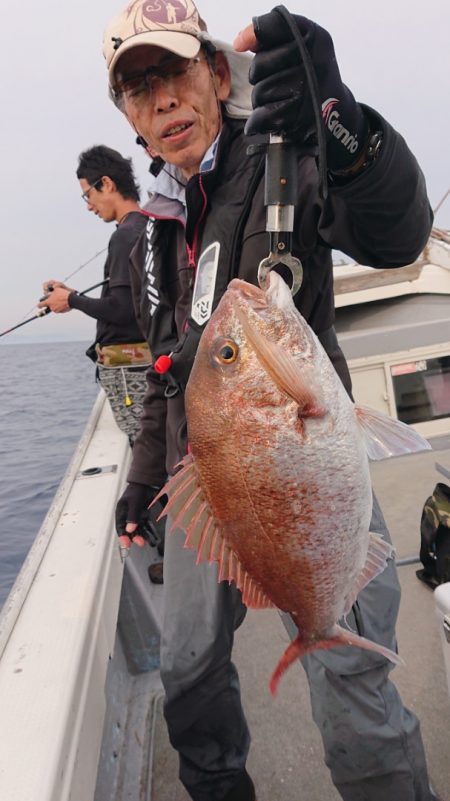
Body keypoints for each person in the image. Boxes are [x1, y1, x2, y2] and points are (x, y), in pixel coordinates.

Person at [103, 2, 439, 800]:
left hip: (308, 471)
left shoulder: (288, 154)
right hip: (203, 483)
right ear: (129, 117)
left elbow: (398, 232)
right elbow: (162, 371)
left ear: (218, 73)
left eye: (175, 71)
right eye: (139, 89)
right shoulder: (149, 231)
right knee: (186, 672)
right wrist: (142, 479)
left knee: (355, 690)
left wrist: (346, 128)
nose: (163, 99)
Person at [38, 145, 151, 446]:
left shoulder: (125, 235)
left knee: (143, 444)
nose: (89, 206)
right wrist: (70, 295)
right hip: (144, 368)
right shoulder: (146, 227)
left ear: (107, 184)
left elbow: (123, 310)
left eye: (88, 195)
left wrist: (71, 301)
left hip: (131, 372)